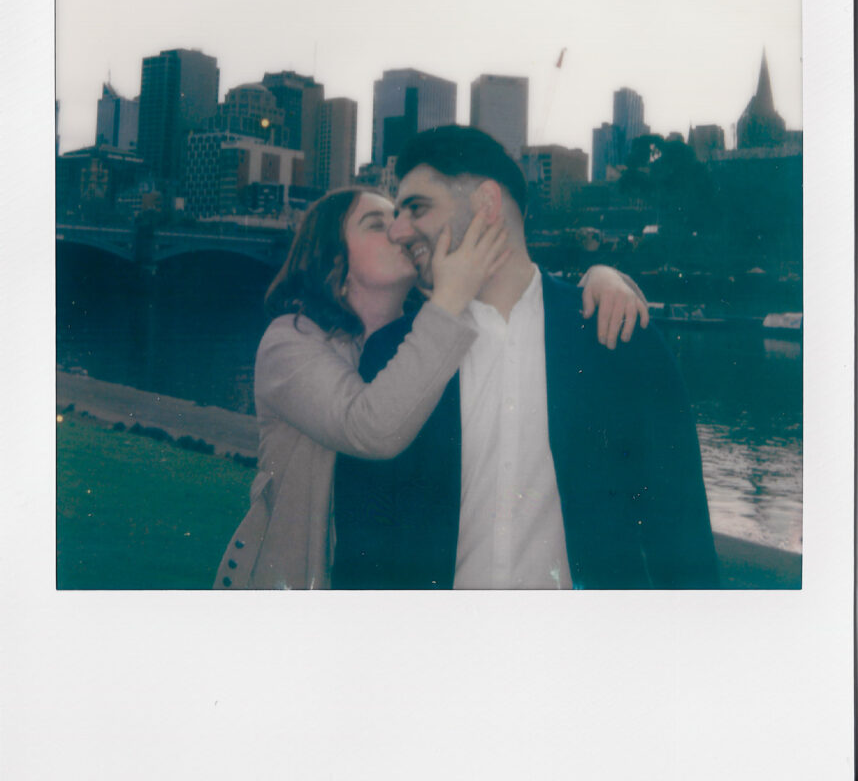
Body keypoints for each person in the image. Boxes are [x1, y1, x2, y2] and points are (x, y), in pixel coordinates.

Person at [332, 126, 720, 589]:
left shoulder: (615, 335)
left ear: (487, 204)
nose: (397, 231)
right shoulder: (390, 355)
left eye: (416, 208)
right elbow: (363, 554)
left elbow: (679, 535)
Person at [214, 185, 649, 590]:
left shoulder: (432, 341)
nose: (403, 230)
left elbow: (522, 306)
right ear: (335, 260)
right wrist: (450, 297)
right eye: (377, 224)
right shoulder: (290, 341)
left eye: (404, 218)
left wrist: (601, 277)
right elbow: (369, 426)